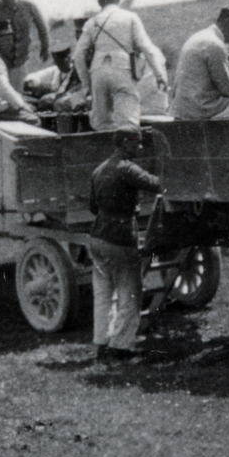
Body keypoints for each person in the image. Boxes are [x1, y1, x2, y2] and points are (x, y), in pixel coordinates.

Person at [88, 125, 164, 363]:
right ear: (124, 144)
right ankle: (121, 348)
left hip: (97, 237)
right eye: (136, 142)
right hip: (120, 237)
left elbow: (93, 207)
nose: (140, 147)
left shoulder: (99, 170)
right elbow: (157, 184)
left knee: (102, 295)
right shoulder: (127, 169)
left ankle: (101, 345)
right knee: (131, 294)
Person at [74, 0, 167, 131]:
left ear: (99, 2)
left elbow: (78, 56)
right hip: (122, 69)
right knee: (127, 119)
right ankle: (128, 151)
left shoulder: (91, 23)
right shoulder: (130, 18)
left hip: (97, 72)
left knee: (102, 122)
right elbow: (146, 48)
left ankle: (107, 150)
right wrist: (160, 75)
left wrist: (87, 85)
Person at [170, 5, 229, 120]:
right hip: (200, 108)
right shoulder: (214, 44)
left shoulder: (202, 36)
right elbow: (227, 88)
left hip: (182, 107)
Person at [0, 0, 51, 90]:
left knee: (20, 89)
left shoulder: (28, 6)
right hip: (4, 60)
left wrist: (45, 47)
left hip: (22, 58)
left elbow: (42, 27)